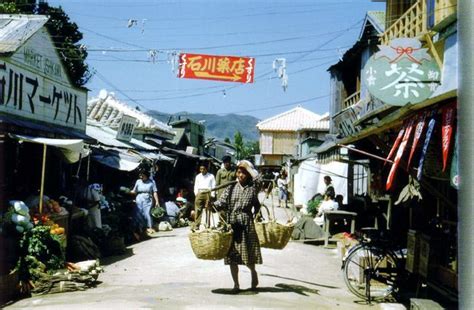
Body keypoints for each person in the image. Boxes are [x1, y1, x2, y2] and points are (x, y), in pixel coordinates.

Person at [213, 160, 262, 292]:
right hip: (232, 224)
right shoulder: (230, 188)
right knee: (232, 257)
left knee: (248, 255)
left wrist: (248, 168)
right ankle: (236, 284)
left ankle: (253, 272)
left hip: (246, 224)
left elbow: (259, 180)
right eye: (239, 172)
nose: (240, 175)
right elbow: (221, 202)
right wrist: (212, 205)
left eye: (243, 173)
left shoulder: (252, 188)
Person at [130, 170, 160, 236]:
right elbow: (135, 191)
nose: (141, 177)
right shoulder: (138, 181)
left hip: (148, 198)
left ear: (146, 175)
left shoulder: (152, 182)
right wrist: (128, 191)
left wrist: (157, 201)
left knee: (147, 213)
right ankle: (141, 229)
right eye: (140, 175)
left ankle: (150, 227)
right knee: (139, 213)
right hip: (139, 198)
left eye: (142, 175)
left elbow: (155, 192)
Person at [193, 163, 216, 229]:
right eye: (201, 169)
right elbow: (196, 185)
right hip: (200, 192)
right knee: (198, 209)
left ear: (206, 169)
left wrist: (212, 195)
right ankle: (197, 225)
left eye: (203, 169)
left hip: (208, 193)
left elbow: (213, 186)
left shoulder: (211, 176)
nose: (202, 170)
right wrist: (196, 193)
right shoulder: (198, 176)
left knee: (208, 209)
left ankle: (208, 225)